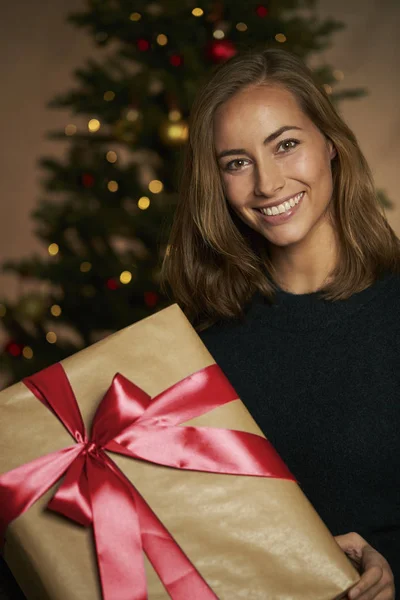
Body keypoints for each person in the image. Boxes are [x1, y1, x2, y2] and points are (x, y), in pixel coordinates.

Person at [162, 48, 399, 599]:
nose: (267, 184)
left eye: (286, 144)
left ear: (331, 145)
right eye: (236, 162)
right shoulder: (200, 351)